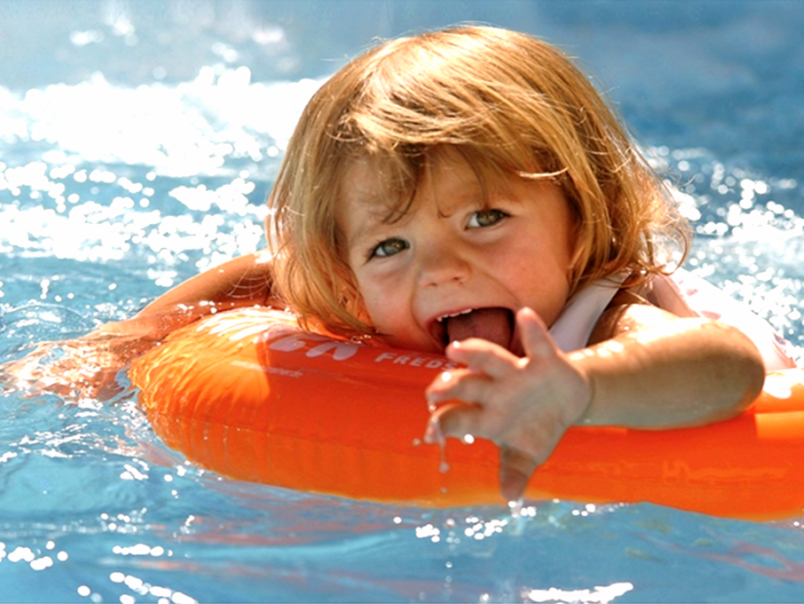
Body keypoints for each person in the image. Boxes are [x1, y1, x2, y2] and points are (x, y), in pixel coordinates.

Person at [5, 26, 796, 501]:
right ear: (348, 270)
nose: (439, 269)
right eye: (390, 244)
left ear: (582, 217)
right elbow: (268, 271)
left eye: (485, 218)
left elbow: (724, 368)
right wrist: (132, 338)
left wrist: (580, 387)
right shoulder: (354, 287)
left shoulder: (606, 303)